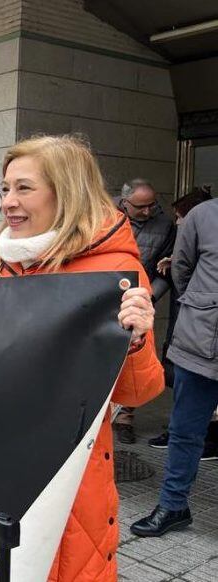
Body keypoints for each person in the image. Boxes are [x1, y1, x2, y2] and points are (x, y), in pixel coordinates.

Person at [0, 135, 163, 581]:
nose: (9, 201)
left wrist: (139, 340)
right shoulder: (6, 261)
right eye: (6, 187)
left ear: (65, 191)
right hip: (3, 453)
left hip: (73, 467)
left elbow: (138, 392)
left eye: (24, 188)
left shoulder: (114, 272)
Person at [131, 196, 218, 538]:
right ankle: (173, 505)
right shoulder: (203, 215)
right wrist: (203, 308)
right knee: (185, 432)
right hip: (199, 343)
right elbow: (180, 271)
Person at [148, 187, 215, 451]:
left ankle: (207, 436)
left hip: (198, 322)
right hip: (191, 318)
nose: (177, 221)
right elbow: (182, 269)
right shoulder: (191, 230)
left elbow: (185, 271)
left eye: (180, 216)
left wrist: (193, 302)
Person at [112, 178, 177, 444]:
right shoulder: (105, 216)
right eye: (141, 207)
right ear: (125, 202)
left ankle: (125, 416)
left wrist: (150, 296)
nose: (148, 211)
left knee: (136, 353)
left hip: (139, 299)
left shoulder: (164, 225)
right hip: (105, 296)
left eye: (152, 205)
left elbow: (169, 269)